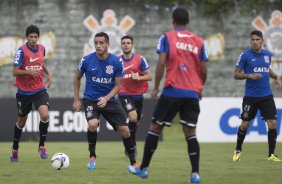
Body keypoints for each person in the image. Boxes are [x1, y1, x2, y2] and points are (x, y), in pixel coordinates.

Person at [127, 7, 208, 184]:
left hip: (172, 90)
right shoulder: (199, 42)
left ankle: (143, 168)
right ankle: (195, 174)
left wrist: (156, 87)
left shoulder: (167, 37)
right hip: (192, 93)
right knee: (190, 132)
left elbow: (162, 62)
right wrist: (199, 89)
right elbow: (203, 69)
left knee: (155, 128)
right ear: (188, 22)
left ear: (173, 21)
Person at [73, 32, 137, 170]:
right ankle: (92, 156)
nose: (98, 46)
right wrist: (77, 99)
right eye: (96, 43)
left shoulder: (116, 62)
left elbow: (118, 85)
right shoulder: (86, 60)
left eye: (101, 43)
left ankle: (133, 162)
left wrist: (107, 98)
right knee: (93, 124)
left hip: (109, 101)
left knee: (125, 130)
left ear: (108, 44)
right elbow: (77, 78)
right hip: (91, 100)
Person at [232, 30, 282, 162]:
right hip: (251, 97)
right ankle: (238, 150)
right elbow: (236, 74)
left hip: (266, 95)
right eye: (252, 40)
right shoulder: (245, 56)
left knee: (272, 123)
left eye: (257, 40)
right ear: (250, 41)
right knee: (244, 125)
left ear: (262, 41)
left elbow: (267, 69)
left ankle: (271, 154)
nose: (255, 42)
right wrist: (249, 75)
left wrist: (277, 77)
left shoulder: (267, 55)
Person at [10, 25, 52, 162]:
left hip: (39, 89)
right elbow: (14, 71)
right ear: (26, 37)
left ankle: (41, 146)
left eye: (35, 37)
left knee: (45, 114)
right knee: (22, 122)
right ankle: (15, 149)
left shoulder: (42, 48)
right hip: (24, 92)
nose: (33, 39)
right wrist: (29, 72)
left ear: (38, 37)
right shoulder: (21, 51)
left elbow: (41, 63)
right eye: (31, 37)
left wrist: (48, 73)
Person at [119, 35, 152, 156]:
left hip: (138, 95)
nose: (126, 45)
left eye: (128, 43)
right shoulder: (117, 61)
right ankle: (131, 146)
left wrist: (139, 77)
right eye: (124, 43)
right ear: (121, 45)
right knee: (133, 117)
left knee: (135, 122)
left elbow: (149, 76)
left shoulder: (140, 59)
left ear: (132, 45)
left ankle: (129, 143)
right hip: (124, 94)